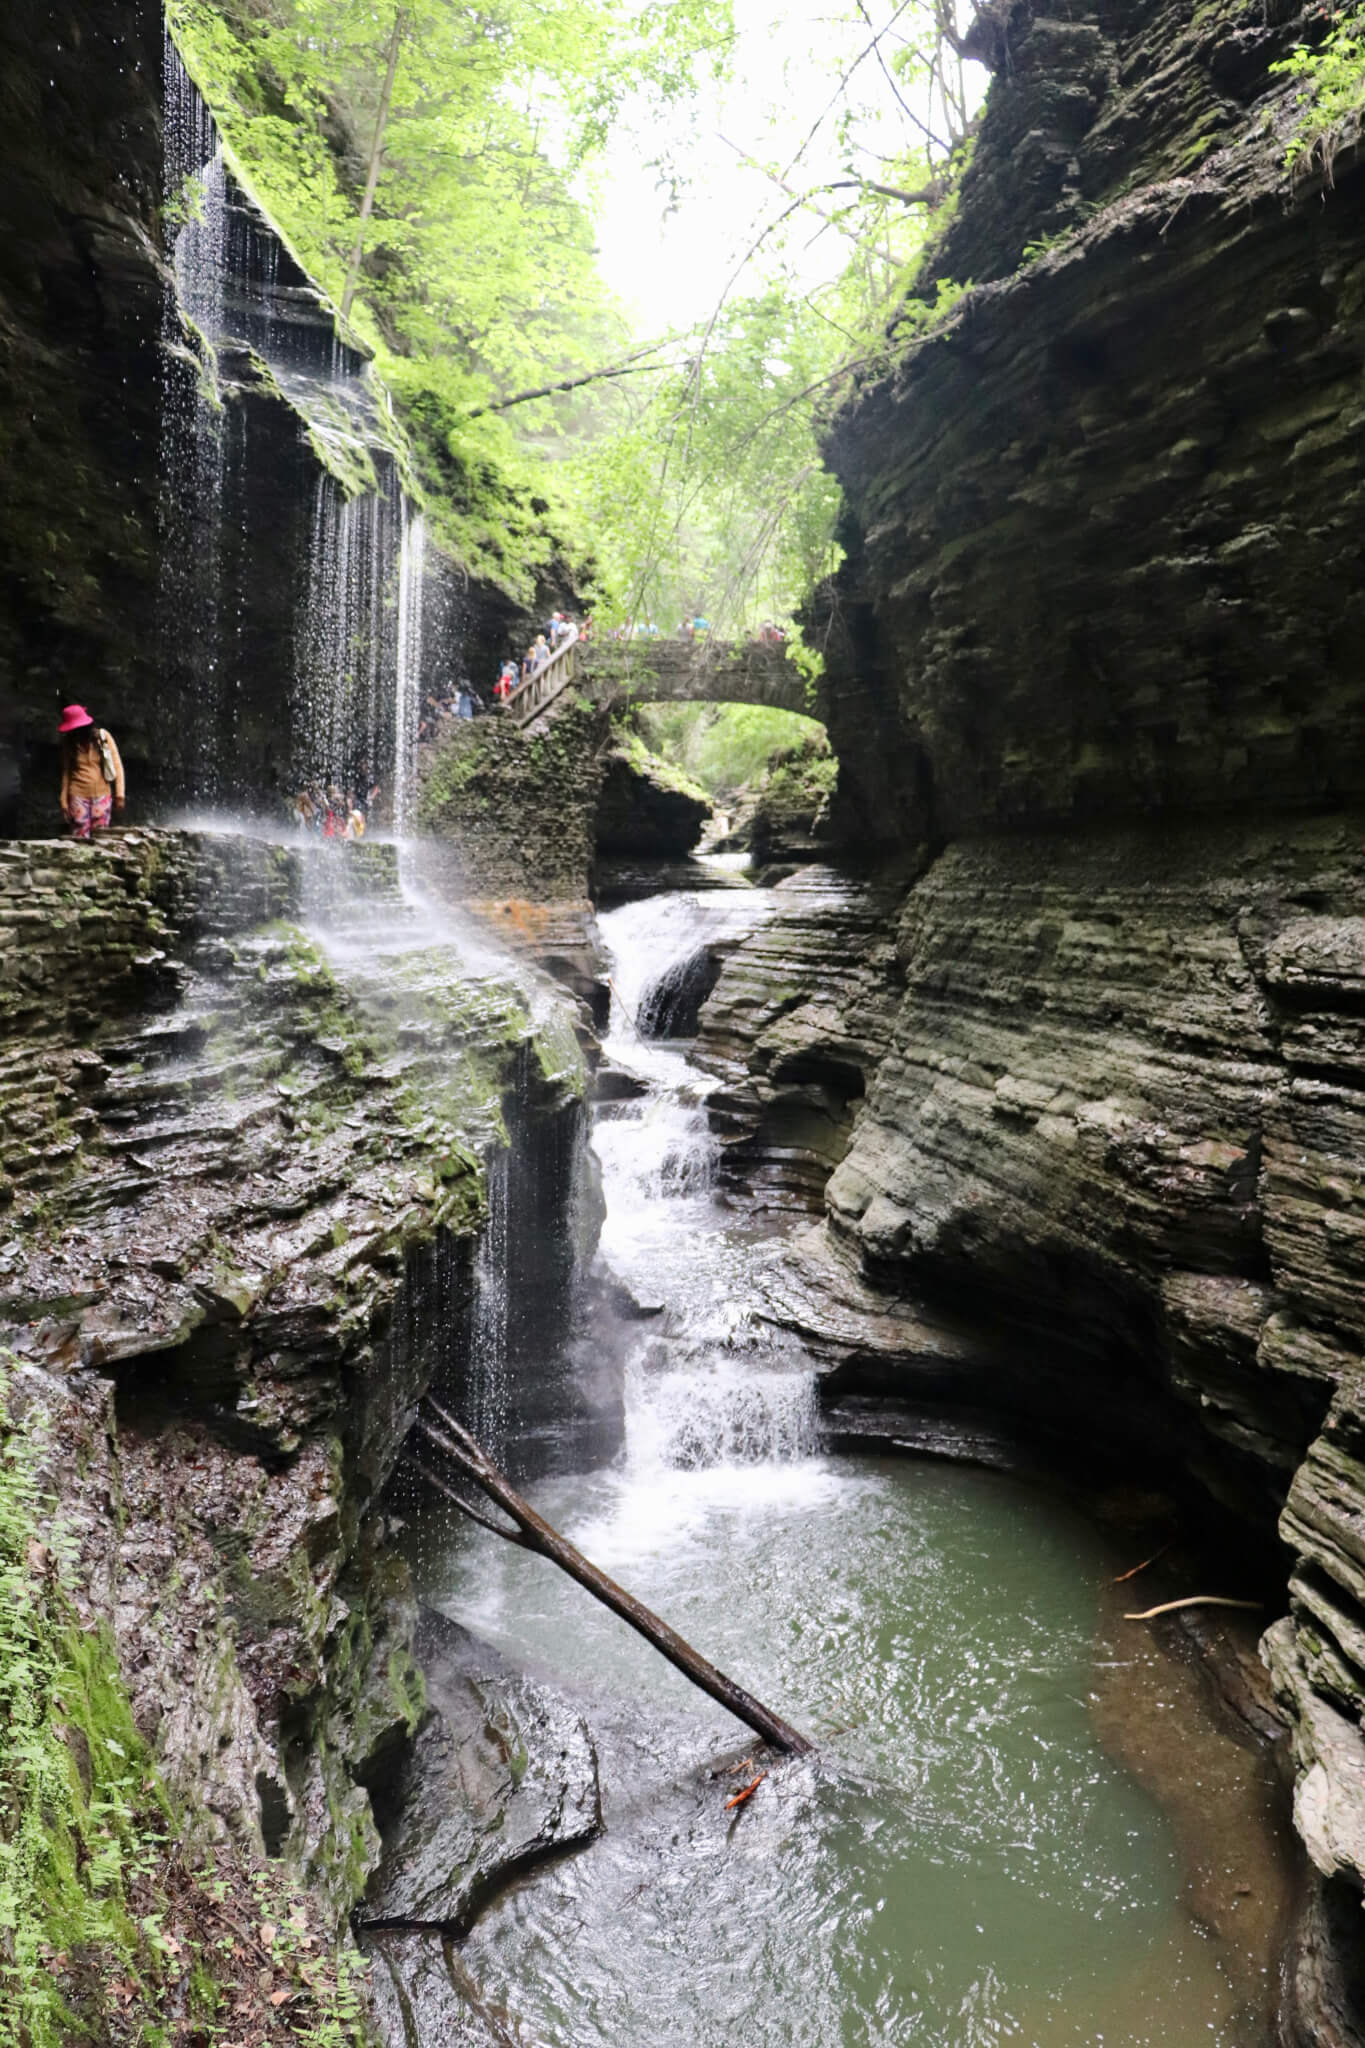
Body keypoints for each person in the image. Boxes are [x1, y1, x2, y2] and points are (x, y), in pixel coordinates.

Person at [58, 704, 124, 839]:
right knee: (79, 838)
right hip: (77, 796)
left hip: (102, 795)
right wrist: (63, 800)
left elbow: (117, 766)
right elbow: (67, 771)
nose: (76, 732)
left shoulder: (103, 737)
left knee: (101, 837)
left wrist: (120, 794)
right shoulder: (69, 743)